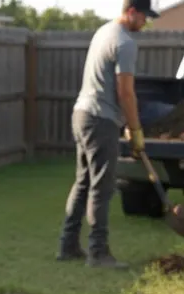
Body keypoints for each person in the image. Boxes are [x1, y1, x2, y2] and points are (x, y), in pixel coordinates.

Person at [57, 0, 159, 269]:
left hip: (82, 114)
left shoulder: (103, 31)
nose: (145, 23)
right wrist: (136, 129)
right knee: (102, 187)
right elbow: (125, 92)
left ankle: (67, 246)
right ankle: (98, 253)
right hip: (100, 120)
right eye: (144, 17)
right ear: (132, 12)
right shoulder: (125, 43)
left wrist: (124, 120)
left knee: (83, 183)